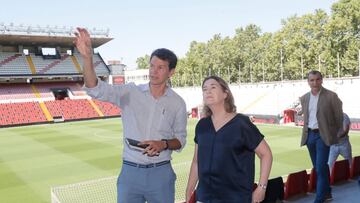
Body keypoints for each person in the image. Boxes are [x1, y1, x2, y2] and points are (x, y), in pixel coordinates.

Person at [74, 28, 187, 203]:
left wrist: (163, 144)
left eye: (160, 67)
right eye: (151, 65)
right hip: (130, 172)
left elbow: (180, 140)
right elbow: (95, 88)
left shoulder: (178, 103)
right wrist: (87, 57)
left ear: (171, 72)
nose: (153, 71)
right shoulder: (130, 92)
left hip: (161, 174)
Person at [185, 76, 273, 203]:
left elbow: (266, 154)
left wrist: (262, 188)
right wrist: (189, 189)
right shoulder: (202, 125)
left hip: (236, 197)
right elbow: (196, 162)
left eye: (213, 87)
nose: (208, 91)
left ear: (225, 93)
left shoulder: (241, 124)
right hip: (205, 197)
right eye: (204, 89)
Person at [298, 70, 343, 203]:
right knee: (319, 168)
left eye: (317, 79)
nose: (315, 83)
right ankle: (327, 192)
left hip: (323, 136)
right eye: (312, 80)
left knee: (321, 166)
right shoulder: (305, 98)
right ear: (308, 82)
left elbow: (338, 117)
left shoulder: (331, 96)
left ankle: (319, 199)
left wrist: (332, 133)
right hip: (310, 135)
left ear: (321, 80)